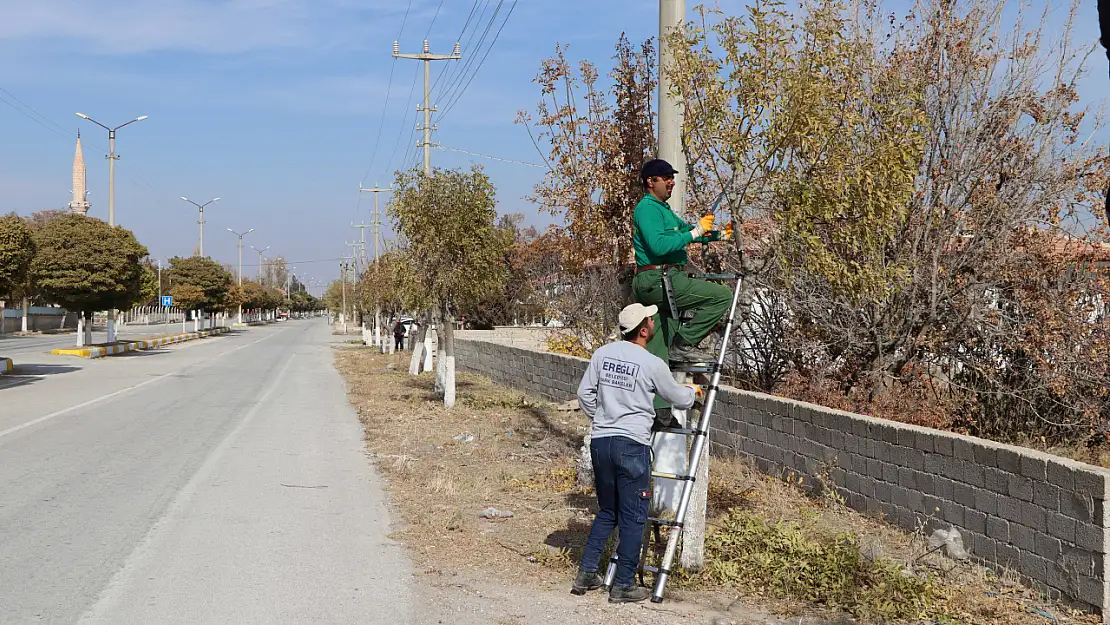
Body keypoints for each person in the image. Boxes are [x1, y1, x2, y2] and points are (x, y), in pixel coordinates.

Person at [571, 303, 702, 603]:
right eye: (651, 319)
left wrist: (601, 418)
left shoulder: (602, 354)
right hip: (631, 445)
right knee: (633, 517)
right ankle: (624, 585)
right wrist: (694, 392)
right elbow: (676, 396)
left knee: (608, 511)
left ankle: (587, 572)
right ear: (643, 330)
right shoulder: (651, 362)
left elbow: (583, 394)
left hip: (601, 442)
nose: (655, 320)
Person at [631, 158, 733, 364]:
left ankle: (660, 386)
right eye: (666, 178)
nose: (672, 182)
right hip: (658, 279)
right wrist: (696, 231)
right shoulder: (647, 209)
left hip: (662, 279)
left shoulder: (663, 209)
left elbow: (687, 233)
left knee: (659, 350)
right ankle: (684, 344)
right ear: (650, 181)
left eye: (672, 178)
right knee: (722, 295)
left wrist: (719, 235)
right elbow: (659, 245)